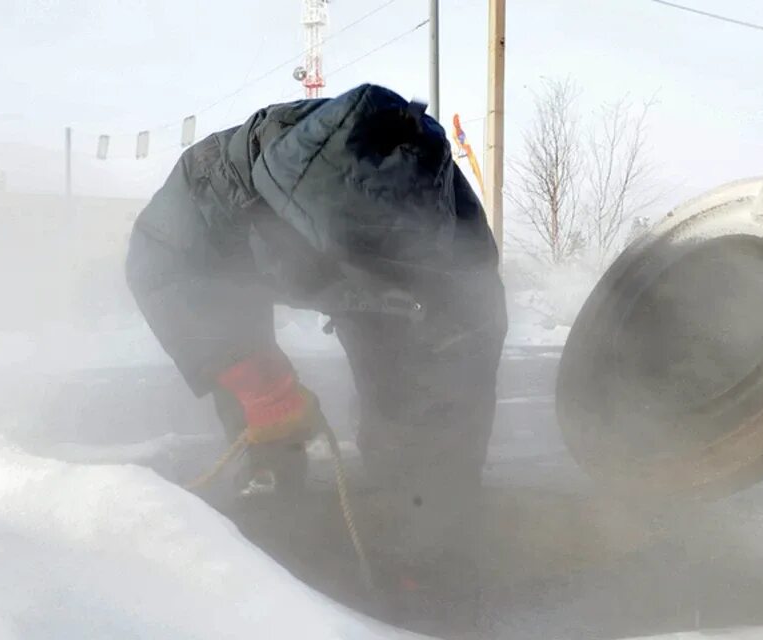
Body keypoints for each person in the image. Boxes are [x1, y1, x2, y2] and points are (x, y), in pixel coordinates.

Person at [125, 83, 507, 623]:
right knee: (252, 380)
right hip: (247, 261)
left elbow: (461, 374)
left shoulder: (452, 242)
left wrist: (440, 509)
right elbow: (161, 264)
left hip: (392, 299)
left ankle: (417, 535)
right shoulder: (220, 177)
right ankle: (271, 503)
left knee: (413, 411)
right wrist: (262, 385)